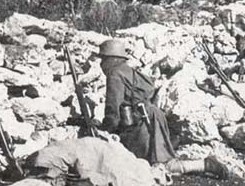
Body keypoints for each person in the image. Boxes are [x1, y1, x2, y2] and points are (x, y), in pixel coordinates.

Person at [96, 39, 229, 178]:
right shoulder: (128, 71)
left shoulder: (114, 74)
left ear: (112, 59)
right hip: (152, 116)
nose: (101, 64)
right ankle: (203, 164)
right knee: (156, 162)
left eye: (103, 59)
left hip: (142, 123)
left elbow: (113, 108)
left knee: (155, 166)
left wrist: (105, 131)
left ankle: (205, 165)